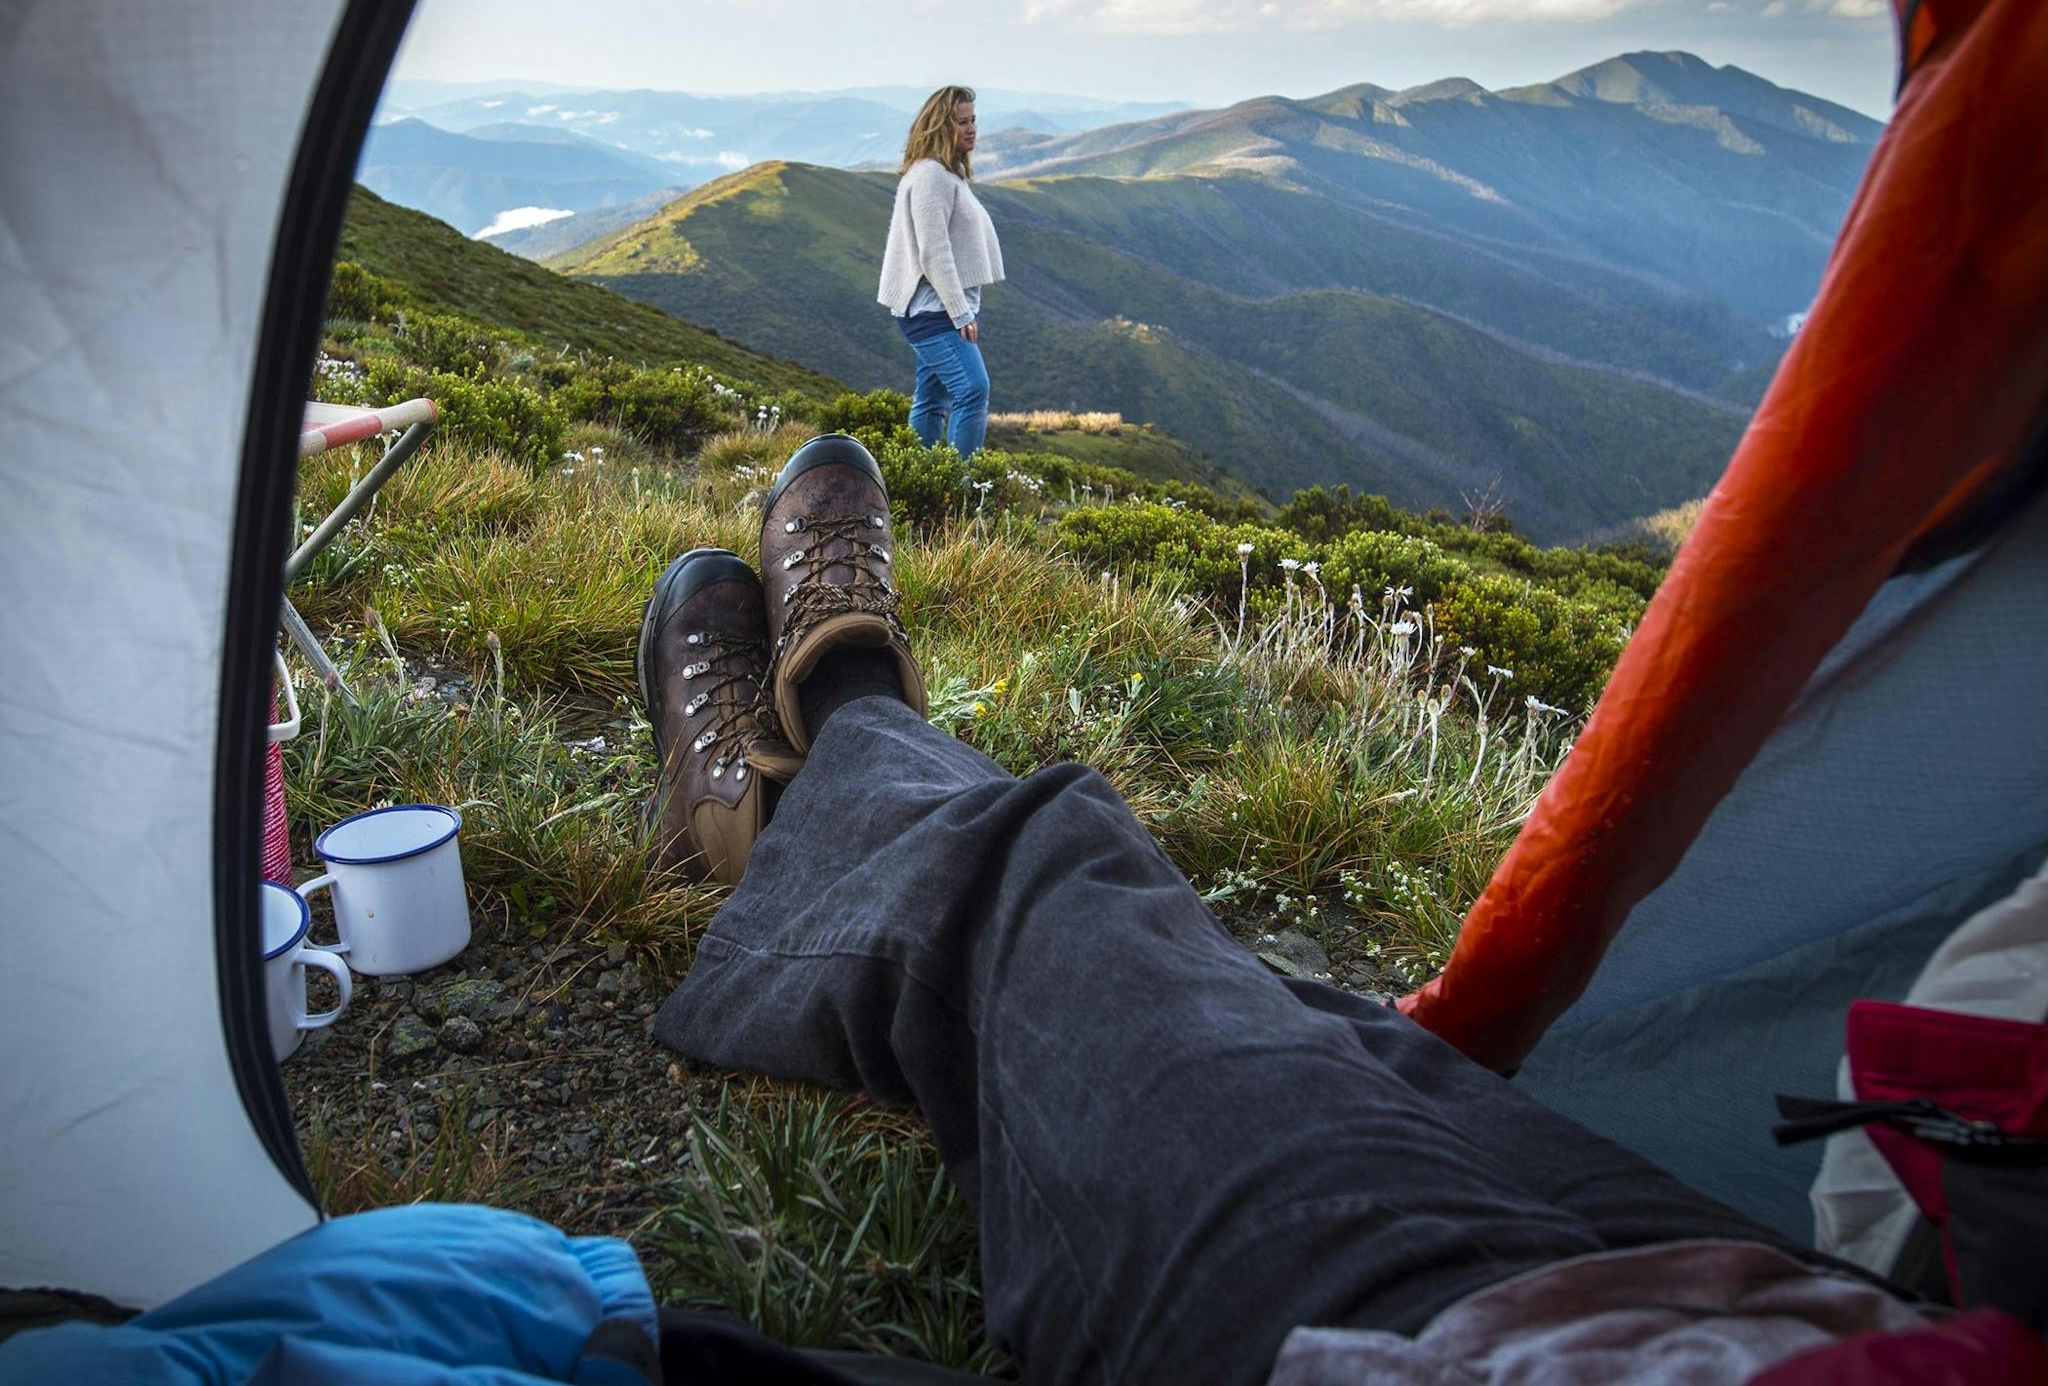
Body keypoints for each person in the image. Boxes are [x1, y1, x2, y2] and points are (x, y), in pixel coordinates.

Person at [637, 434, 2001, 1386]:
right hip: (1838, 1324)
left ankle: (830, 750)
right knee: (1321, 1033)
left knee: (1056, 874)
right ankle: (823, 770)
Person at [877, 85, 1003, 459]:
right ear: (939, 126)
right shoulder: (930, 175)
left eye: (973, 121)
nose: (971, 129)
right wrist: (960, 311)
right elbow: (934, 252)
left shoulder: (943, 173)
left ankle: (922, 479)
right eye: (961, 122)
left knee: (932, 397)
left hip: (937, 308)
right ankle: (960, 489)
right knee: (973, 389)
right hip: (934, 311)